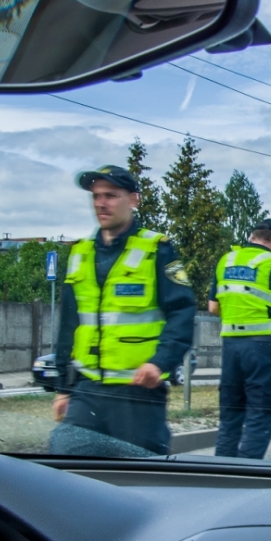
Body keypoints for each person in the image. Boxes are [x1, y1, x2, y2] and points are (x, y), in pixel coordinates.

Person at [50, 165, 197, 455]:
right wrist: (63, 388)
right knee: (69, 466)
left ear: (133, 200)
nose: (101, 203)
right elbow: (69, 325)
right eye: (96, 196)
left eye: (111, 195)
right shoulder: (80, 254)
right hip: (88, 389)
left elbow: (182, 313)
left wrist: (160, 363)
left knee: (141, 478)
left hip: (137, 393)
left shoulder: (157, 249)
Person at [209, 219, 271, 458]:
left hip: (230, 345)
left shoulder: (226, 261)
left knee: (230, 414)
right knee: (260, 414)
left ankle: (220, 471)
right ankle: (246, 474)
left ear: (252, 237)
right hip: (262, 347)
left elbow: (213, 308)